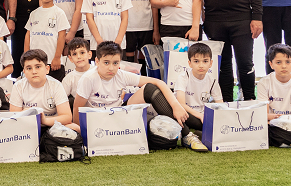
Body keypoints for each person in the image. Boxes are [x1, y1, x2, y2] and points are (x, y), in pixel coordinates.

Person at [71, 42, 203, 149]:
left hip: (119, 115)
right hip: (98, 121)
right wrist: (81, 136)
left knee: (150, 88)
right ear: (97, 61)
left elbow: (159, 82)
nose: (111, 68)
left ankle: (191, 134)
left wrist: (176, 106)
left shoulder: (121, 75)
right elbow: (77, 107)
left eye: (115, 63)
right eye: (106, 63)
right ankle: (192, 131)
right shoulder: (88, 78)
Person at [10, 50, 78, 132]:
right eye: (29, 68)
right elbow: (14, 118)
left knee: (75, 128)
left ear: (47, 69)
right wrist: (24, 114)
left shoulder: (56, 85)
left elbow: (67, 117)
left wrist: (44, 120)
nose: (34, 72)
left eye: (38, 67)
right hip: (27, 125)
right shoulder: (18, 86)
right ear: (24, 72)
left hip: (51, 125)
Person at [25, 0, 70, 82]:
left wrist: (57, 57)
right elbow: (28, 35)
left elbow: (62, 36)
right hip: (35, 62)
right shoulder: (34, 13)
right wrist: (26, 57)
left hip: (53, 61)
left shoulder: (59, 13)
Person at [173, 42, 223, 137]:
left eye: (205, 61)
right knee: (182, 117)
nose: (201, 65)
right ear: (190, 63)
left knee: (217, 120)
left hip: (202, 116)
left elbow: (220, 103)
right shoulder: (183, 77)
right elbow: (181, 104)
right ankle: (191, 132)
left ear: (211, 63)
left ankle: (198, 131)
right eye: (196, 61)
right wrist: (200, 115)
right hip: (185, 113)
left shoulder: (212, 81)